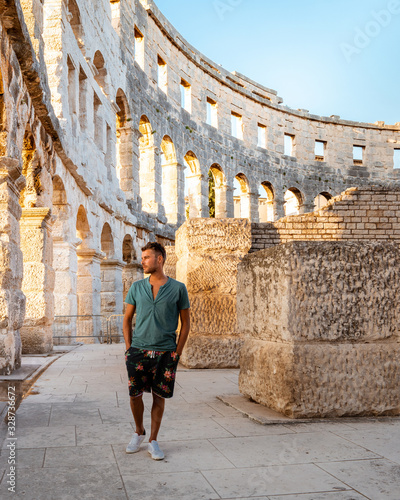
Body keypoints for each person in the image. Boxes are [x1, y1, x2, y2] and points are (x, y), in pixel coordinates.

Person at [122, 242, 190, 460]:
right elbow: (126, 320)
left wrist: (176, 353)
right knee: (135, 396)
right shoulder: (136, 287)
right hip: (138, 351)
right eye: (142, 257)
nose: (142, 261)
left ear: (159, 259)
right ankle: (138, 430)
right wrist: (128, 349)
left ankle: (153, 440)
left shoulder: (178, 288)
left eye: (146, 257)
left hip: (165, 353)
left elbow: (186, 323)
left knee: (159, 397)